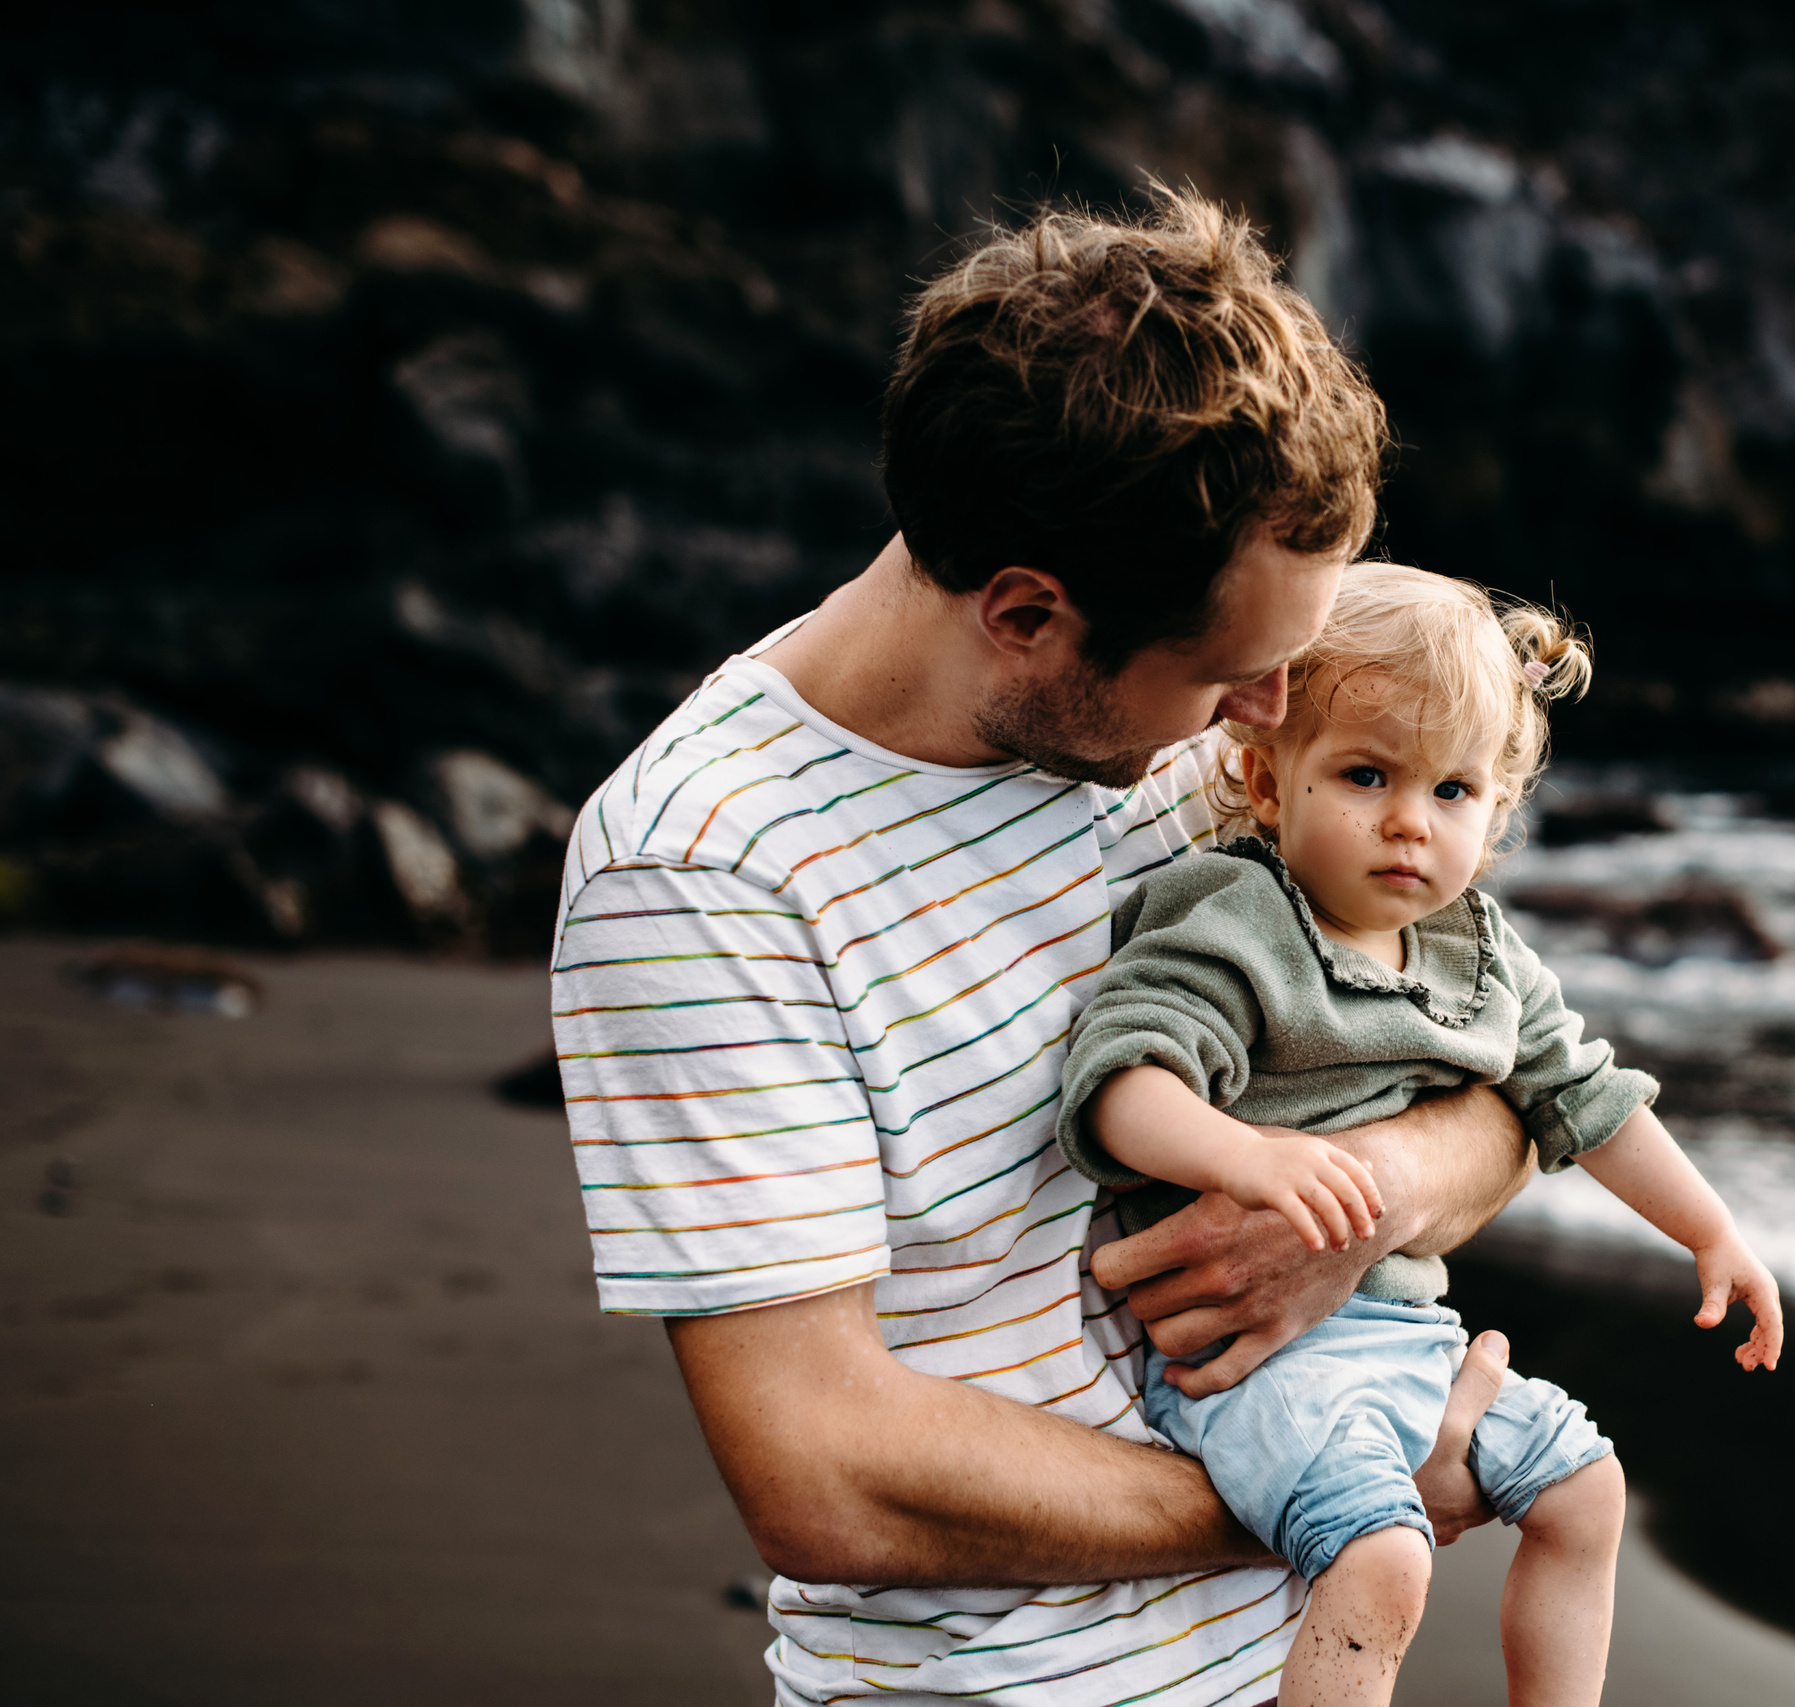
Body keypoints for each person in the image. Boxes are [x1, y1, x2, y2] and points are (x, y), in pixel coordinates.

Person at [551, 191, 1536, 1707]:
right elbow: (828, 1473)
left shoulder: (1176, 754)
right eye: (1231, 674)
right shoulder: (707, 868)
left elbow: (1503, 1070)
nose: (1273, 717)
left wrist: (1373, 1194)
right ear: (1027, 613)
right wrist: (1350, 1490)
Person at [1054, 565, 1785, 1707]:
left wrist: (1711, 1229)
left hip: (1405, 1340)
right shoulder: (1235, 913)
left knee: (1588, 1493)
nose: (1409, 820)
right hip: (1251, 1368)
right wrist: (1244, 1156)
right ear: (1263, 775)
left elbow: (1584, 1098)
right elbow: (1120, 1084)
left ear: (1496, 811)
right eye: (1364, 774)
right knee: (1383, 1561)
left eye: (1452, 790)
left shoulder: (1476, 951)